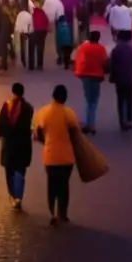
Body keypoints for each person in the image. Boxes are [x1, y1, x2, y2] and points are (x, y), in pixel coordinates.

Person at [34, 85, 79, 226]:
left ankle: (51, 213)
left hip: (50, 156)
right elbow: (75, 133)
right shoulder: (69, 113)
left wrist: (46, 141)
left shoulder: (43, 112)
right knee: (64, 186)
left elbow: (38, 133)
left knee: (51, 185)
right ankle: (63, 214)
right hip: (66, 157)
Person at [0, 82, 33, 210]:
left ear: (13, 91)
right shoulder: (28, 108)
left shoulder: (7, 106)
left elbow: (0, 123)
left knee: (9, 170)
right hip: (23, 144)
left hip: (9, 144)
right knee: (20, 171)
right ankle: (19, 196)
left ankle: (13, 195)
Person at [74, 30, 108, 135]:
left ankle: (89, 124)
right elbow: (104, 62)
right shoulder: (101, 49)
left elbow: (78, 59)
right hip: (97, 75)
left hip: (85, 75)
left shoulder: (83, 48)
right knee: (94, 101)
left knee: (88, 100)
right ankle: (91, 124)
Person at [108, 30, 132, 130]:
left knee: (121, 100)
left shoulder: (116, 49)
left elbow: (112, 65)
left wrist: (112, 77)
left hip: (119, 78)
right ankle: (129, 119)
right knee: (130, 99)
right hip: (129, 77)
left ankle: (122, 121)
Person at [30, 1, 50, 70]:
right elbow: (46, 21)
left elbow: (31, 22)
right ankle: (40, 65)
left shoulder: (33, 13)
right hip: (42, 31)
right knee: (40, 48)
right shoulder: (42, 12)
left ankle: (31, 65)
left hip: (35, 31)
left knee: (31, 48)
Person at [14, 0, 33, 68]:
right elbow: (31, 24)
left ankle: (23, 59)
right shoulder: (28, 15)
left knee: (22, 47)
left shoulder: (19, 15)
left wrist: (17, 30)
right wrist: (31, 31)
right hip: (27, 32)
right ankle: (27, 60)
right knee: (27, 47)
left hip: (21, 32)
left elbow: (17, 24)